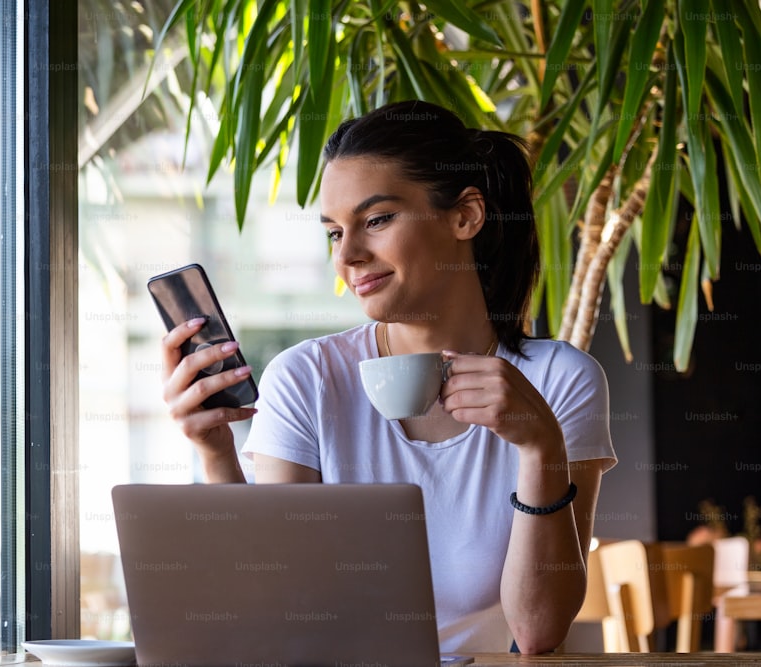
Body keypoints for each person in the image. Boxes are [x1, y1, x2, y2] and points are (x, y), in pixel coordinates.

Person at [160, 99, 617, 654]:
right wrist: (216, 454)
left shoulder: (559, 379)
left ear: (465, 216)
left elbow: (538, 631)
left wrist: (541, 445)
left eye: (376, 220)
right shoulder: (308, 379)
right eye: (334, 232)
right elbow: (274, 605)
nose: (348, 255)